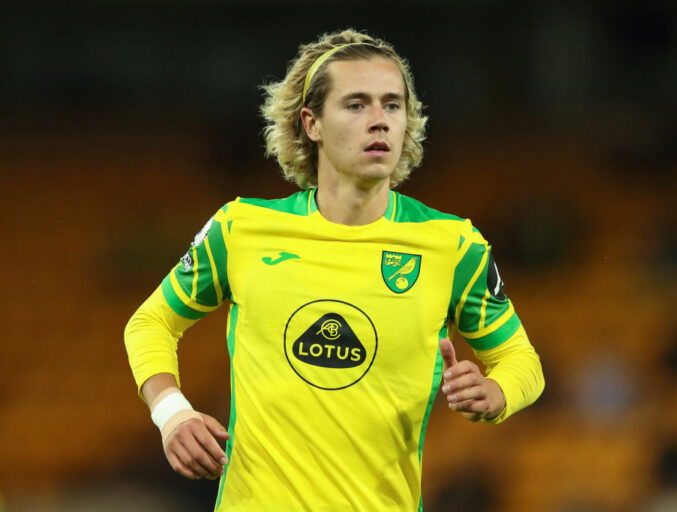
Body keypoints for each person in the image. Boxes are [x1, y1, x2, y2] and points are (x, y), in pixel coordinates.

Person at [124, 28, 544, 511]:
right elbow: (150, 322)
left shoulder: (453, 245)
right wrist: (172, 413)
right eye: (356, 105)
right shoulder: (241, 229)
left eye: (392, 105)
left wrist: (496, 392)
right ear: (312, 124)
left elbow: (521, 360)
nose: (380, 121)